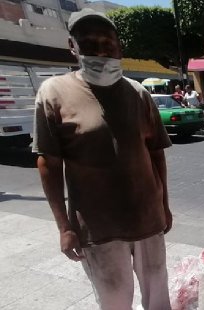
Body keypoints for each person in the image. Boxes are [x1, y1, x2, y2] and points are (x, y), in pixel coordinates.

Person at [32, 8, 172, 310]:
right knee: (115, 301)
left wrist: (164, 206)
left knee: (158, 297)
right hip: (99, 228)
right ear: (73, 47)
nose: (100, 51)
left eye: (107, 43)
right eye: (89, 43)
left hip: (148, 219)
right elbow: (49, 164)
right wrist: (65, 227)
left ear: (119, 47)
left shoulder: (137, 93)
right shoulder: (53, 93)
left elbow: (156, 153)